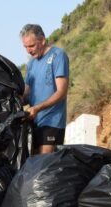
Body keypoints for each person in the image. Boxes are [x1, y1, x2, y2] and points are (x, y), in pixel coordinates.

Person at [20, 24, 69, 154]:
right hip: (35, 123)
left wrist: (37, 108)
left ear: (42, 40)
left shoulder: (58, 55)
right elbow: (27, 93)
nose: (28, 51)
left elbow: (62, 92)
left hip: (52, 122)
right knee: (34, 167)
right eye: (25, 47)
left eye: (31, 46)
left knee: (44, 166)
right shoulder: (31, 63)